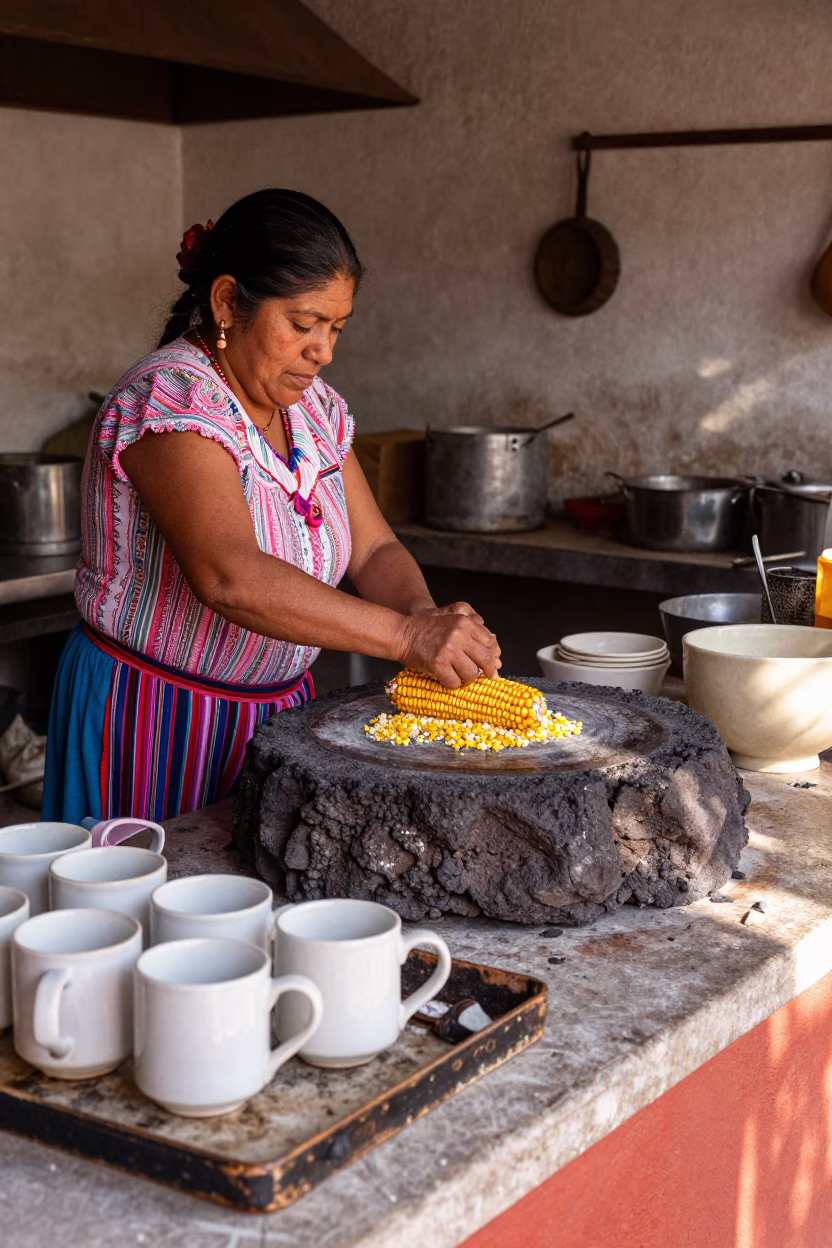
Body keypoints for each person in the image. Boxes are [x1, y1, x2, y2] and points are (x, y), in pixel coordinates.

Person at [43, 189, 500, 824]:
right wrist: (405, 635)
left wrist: (424, 615)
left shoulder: (313, 409)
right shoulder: (173, 399)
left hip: (277, 717)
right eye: (304, 323)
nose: (325, 351)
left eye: (336, 328)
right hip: (152, 716)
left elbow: (372, 547)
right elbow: (228, 575)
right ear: (228, 301)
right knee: (152, 909)